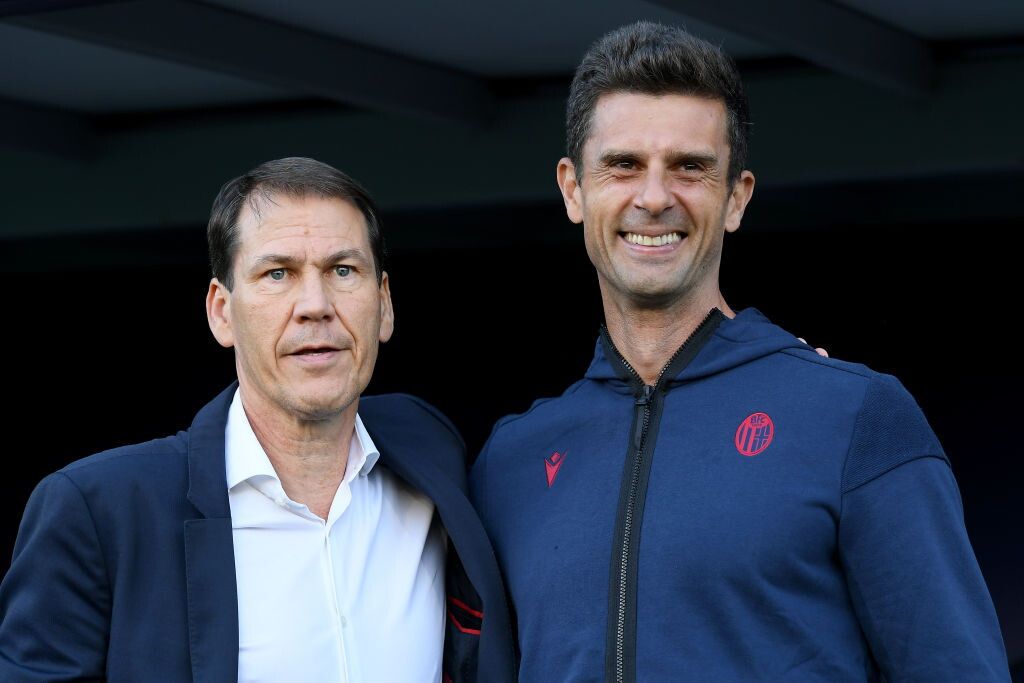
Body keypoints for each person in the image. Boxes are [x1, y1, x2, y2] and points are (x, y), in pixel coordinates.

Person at [470, 22, 1009, 682]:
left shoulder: (854, 418)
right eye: (623, 164)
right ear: (573, 189)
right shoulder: (511, 462)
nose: (654, 197)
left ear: (737, 198)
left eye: (690, 167)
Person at [0, 157, 516, 682]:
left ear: (384, 305)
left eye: (343, 270)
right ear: (221, 311)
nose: (315, 305)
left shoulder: (430, 450)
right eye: (278, 274)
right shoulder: (101, 511)